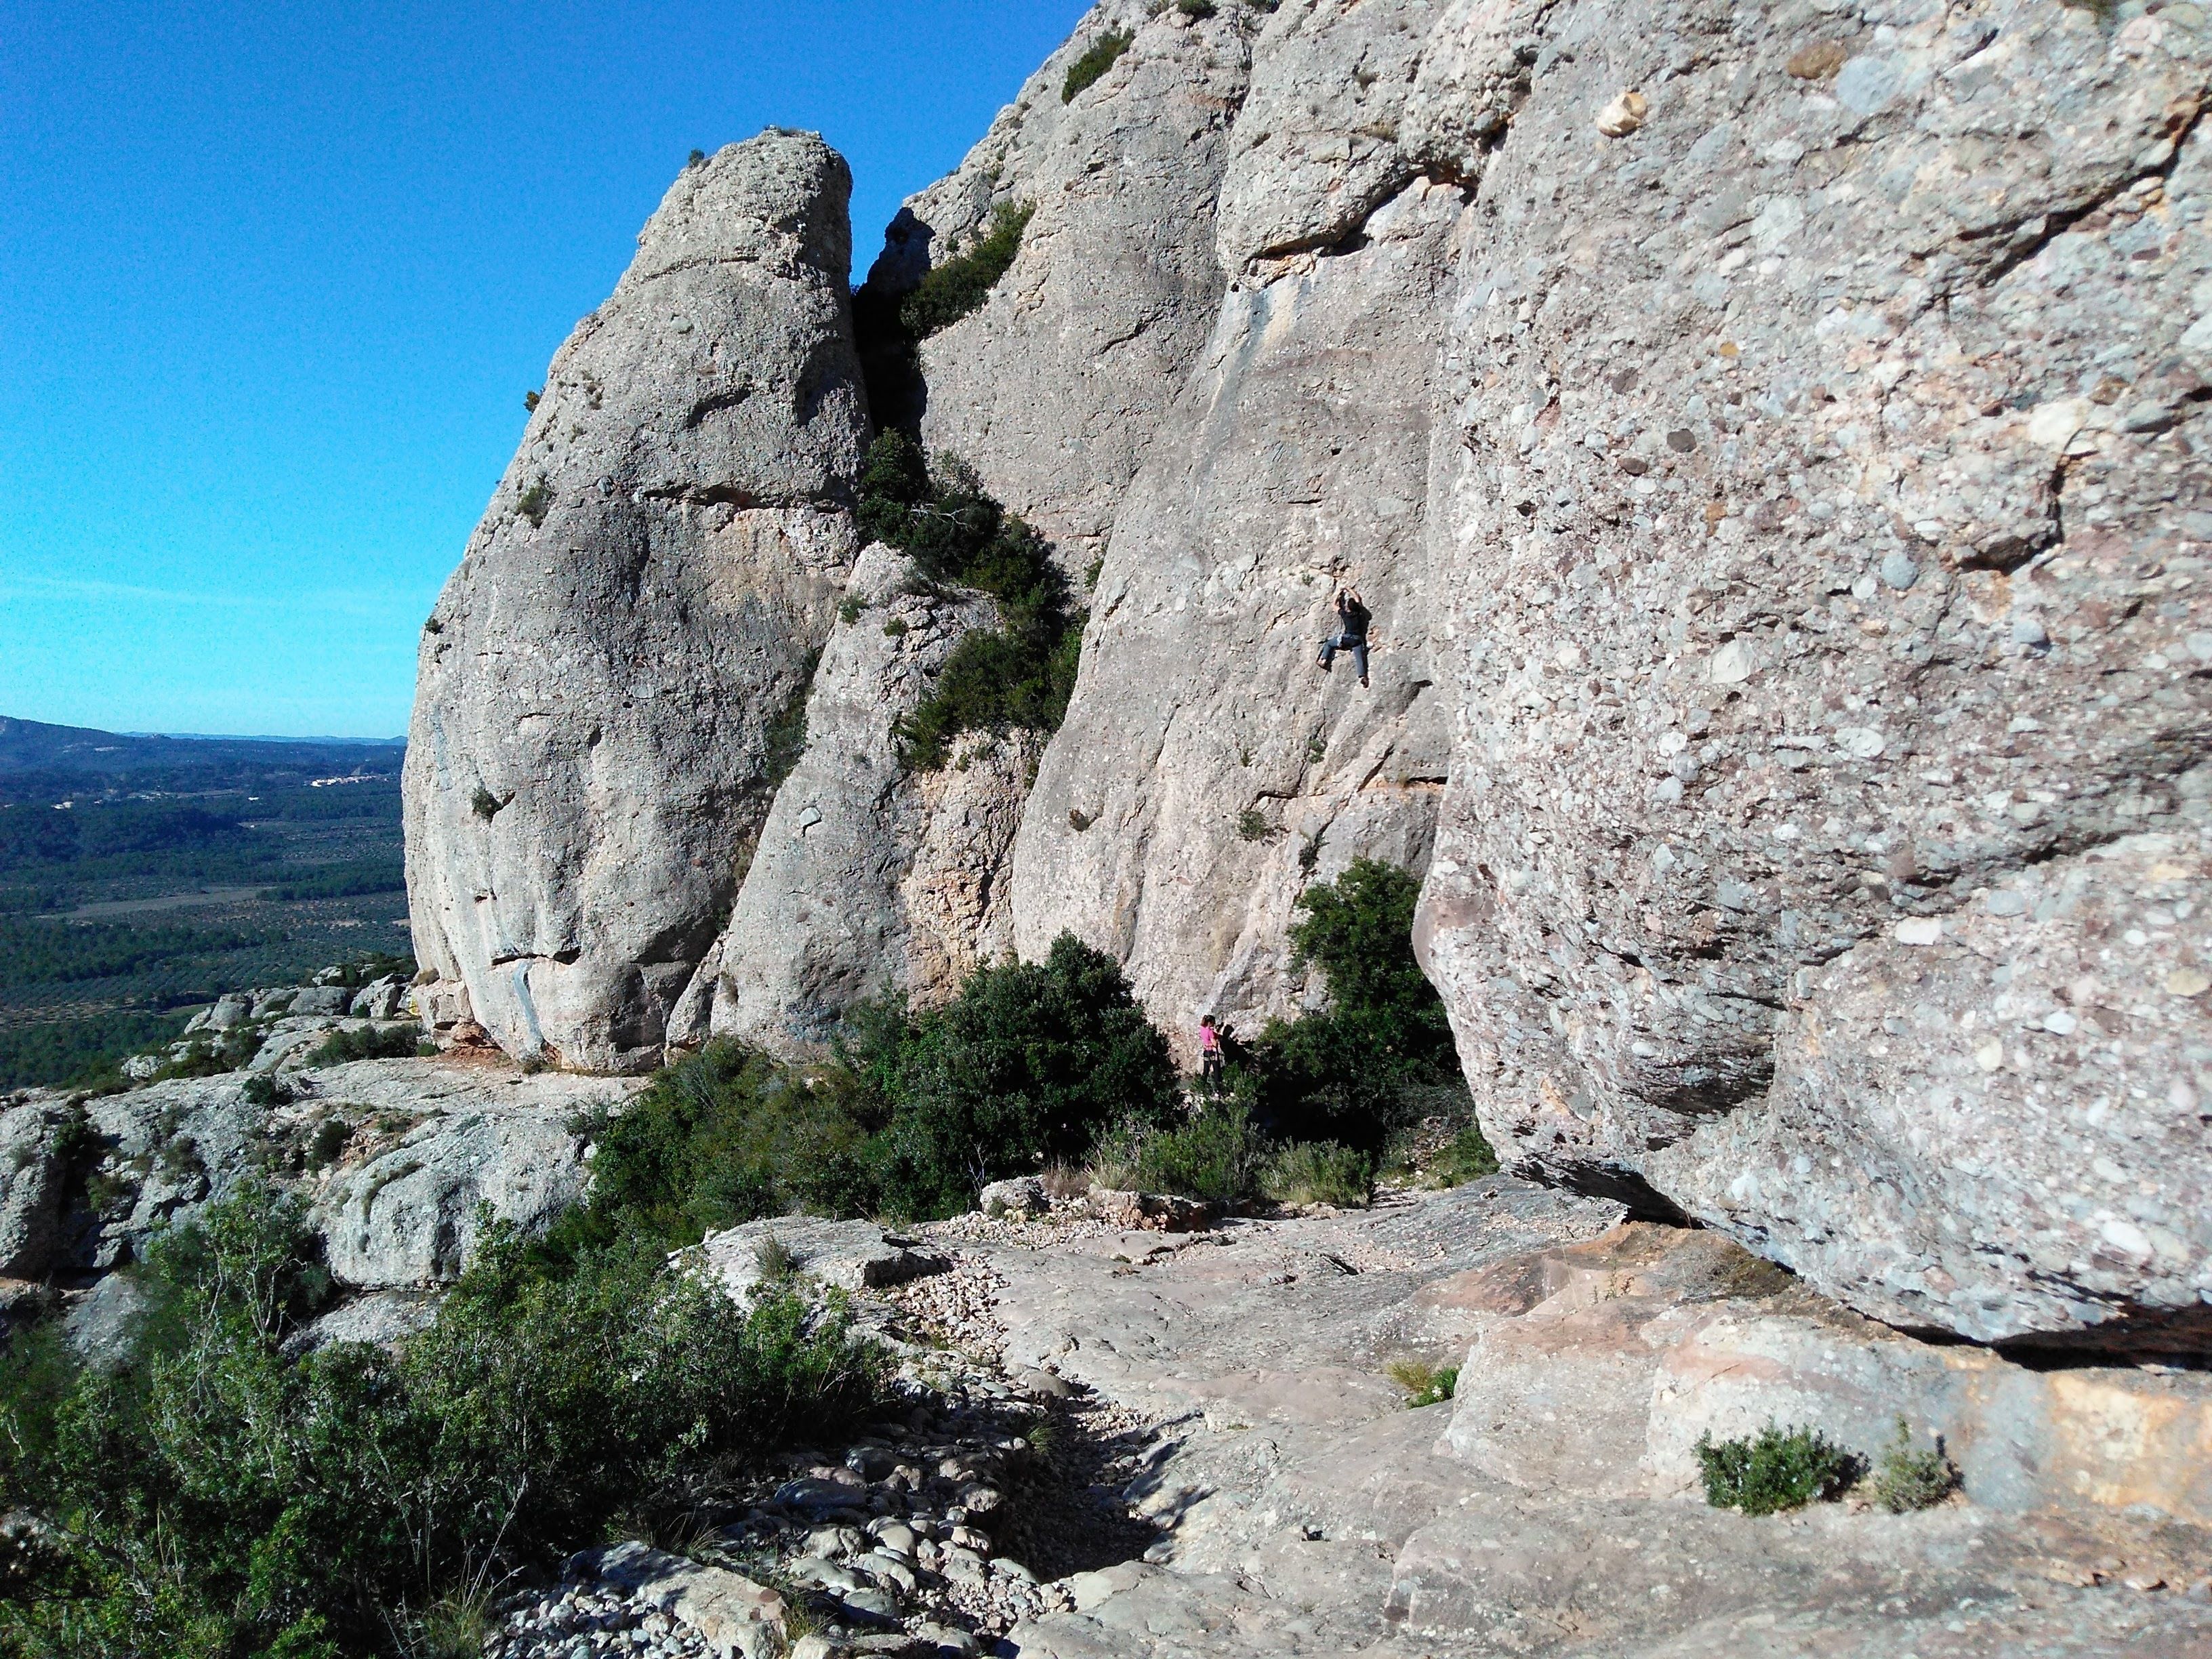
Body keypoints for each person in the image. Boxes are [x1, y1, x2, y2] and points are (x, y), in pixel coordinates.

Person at [1318, 584, 1370, 687]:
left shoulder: (1345, 614)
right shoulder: (1359, 612)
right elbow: (1357, 599)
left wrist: (1339, 594)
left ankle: (1323, 660)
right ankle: (1363, 676)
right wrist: (1350, 589)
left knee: (1329, 644)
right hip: (1358, 640)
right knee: (1359, 658)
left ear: (1348, 608)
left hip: (1346, 639)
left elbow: (1334, 606)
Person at [1197, 1015, 1224, 1091]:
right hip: (1212, 1052)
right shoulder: (1210, 1032)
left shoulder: (1202, 1029)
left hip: (1206, 1051)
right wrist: (1217, 1040)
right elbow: (1214, 1043)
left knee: (1206, 1070)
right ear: (1209, 1022)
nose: (1214, 1024)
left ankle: (1201, 1086)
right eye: (1213, 1023)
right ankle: (1218, 1088)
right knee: (1216, 1070)